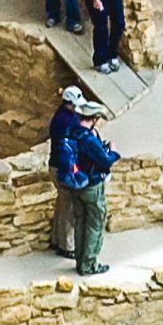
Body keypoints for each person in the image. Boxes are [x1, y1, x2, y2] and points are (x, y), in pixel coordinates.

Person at [52, 93, 119, 275]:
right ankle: (89, 265)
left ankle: (80, 260)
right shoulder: (88, 138)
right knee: (95, 223)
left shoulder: (71, 131)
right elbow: (105, 160)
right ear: (94, 119)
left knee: (80, 221)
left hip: (76, 184)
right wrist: (113, 151)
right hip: (92, 186)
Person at [47, 87, 106, 257]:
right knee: (69, 208)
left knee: (63, 203)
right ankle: (67, 246)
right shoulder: (65, 122)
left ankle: (57, 239)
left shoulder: (64, 115)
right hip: (63, 168)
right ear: (69, 103)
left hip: (57, 165)